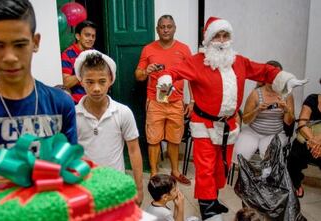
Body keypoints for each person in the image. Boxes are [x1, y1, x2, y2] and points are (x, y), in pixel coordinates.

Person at [157, 17, 307, 221]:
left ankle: (213, 199)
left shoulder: (239, 61)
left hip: (229, 125)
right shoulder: (195, 62)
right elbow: (172, 71)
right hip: (204, 125)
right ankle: (207, 209)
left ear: (230, 37)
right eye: (216, 35)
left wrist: (285, 78)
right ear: (208, 39)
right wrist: (165, 80)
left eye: (224, 35)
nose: (220, 40)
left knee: (222, 167)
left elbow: (263, 70)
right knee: (206, 168)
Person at [0, 0, 77, 177]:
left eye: (19, 45)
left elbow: (70, 171)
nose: (9, 57)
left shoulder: (61, 104)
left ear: (35, 42)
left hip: (55, 202)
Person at [74, 49, 144, 205]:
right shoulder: (73, 115)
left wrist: (139, 188)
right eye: (90, 82)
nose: (96, 88)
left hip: (116, 187)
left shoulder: (123, 112)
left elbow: (133, 151)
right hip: (85, 189)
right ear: (81, 81)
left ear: (111, 80)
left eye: (102, 81)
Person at [135, 15, 192, 185]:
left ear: (174, 28)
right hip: (155, 101)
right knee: (153, 139)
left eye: (169, 26)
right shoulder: (148, 49)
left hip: (176, 102)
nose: (166, 30)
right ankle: (154, 173)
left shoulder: (184, 49)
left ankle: (175, 171)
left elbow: (192, 76)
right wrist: (146, 71)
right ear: (157, 29)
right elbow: (138, 75)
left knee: (175, 139)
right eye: (162, 27)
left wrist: (193, 101)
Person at [234, 60, 295, 161]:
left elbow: (289, 122)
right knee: (240, 154)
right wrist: (257, 111)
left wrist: (286, 110)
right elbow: (245, 120)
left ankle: (264, 176)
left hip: (275, 133)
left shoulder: (287, 94)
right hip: (253, 132)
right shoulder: (255, 93)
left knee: (269, 157)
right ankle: (245, 176)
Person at [287, 79, 321, 198]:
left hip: (318, 143)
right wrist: (313, 140)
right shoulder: (312, 99)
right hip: (309, 140)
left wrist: (318, 142)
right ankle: (295, 184)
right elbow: (302, 123)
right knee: (294, 155)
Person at [61, 20, 97, 103]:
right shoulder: (68, 54)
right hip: (76, 104)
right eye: (87, 35)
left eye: (93, 36)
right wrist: (85, 70)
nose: (91, 39)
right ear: (78, 36)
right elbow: (66, 83)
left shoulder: (96, 53)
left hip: (94, 101)